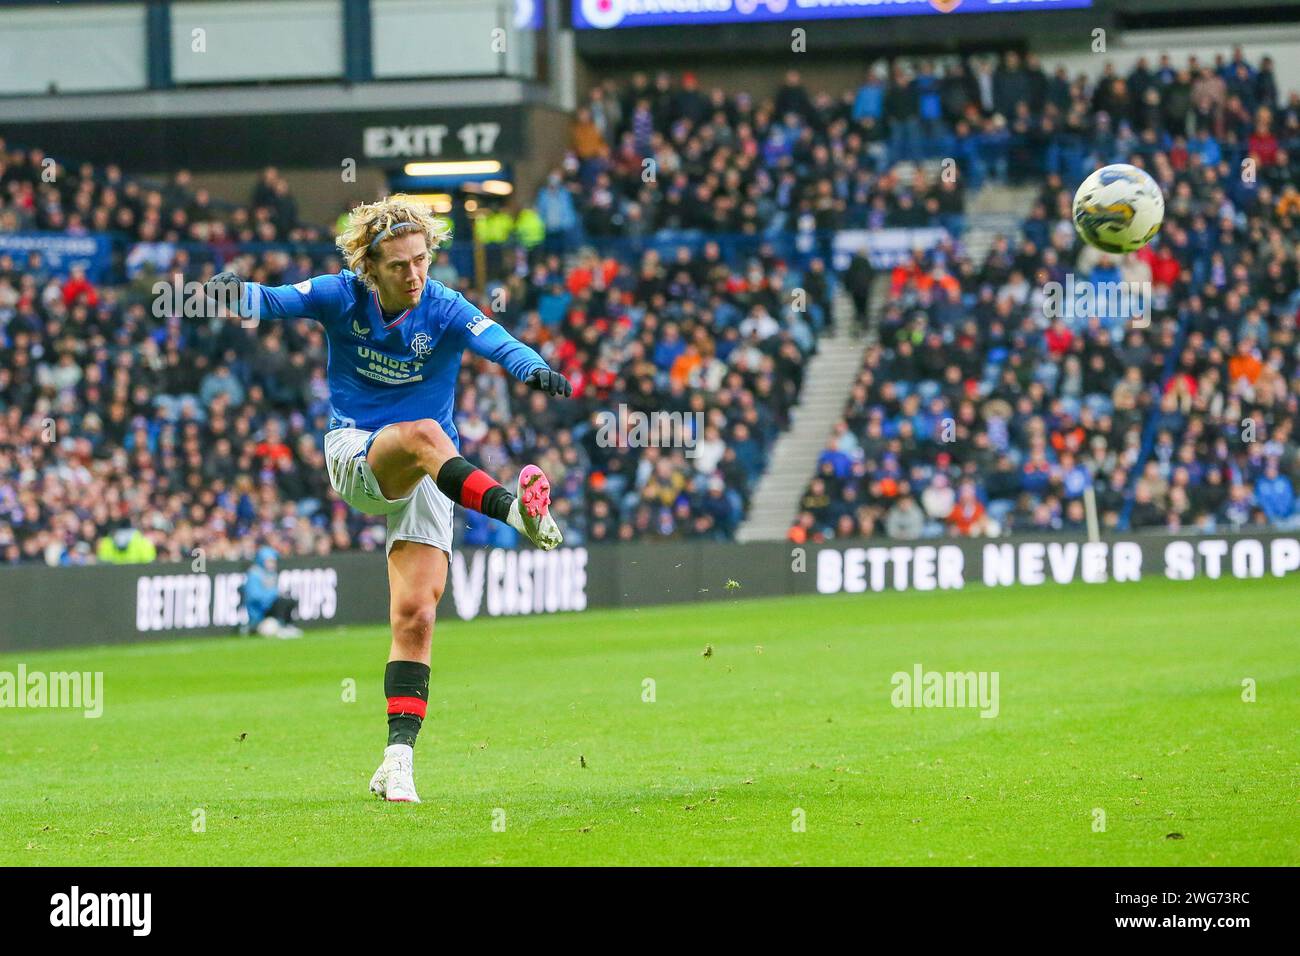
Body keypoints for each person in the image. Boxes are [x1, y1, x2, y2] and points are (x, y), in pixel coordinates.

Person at [204, 194, 573, 803]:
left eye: (422, 260)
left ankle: (396, 762)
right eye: (399, 265)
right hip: (357, 452)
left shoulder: (445, 305)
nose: (414, 275)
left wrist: (533, 368)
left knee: (417, 616)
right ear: (369, 267)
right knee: (427, 432)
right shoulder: (337, 294)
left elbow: (499, 339)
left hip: (432, 471)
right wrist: (231, 293)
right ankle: (514, 512)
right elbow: (273, 300)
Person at [240, 546, 302, 638]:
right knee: (282, 602)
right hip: (259, 612)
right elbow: (254, 597)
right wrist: (274, 594)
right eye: (270, 561)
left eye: (273, 561)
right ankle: (279, 627)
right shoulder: (254, 575)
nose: (272, 564)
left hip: (269, 606)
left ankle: (287, 625)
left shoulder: (271, 574)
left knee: (289, 600)